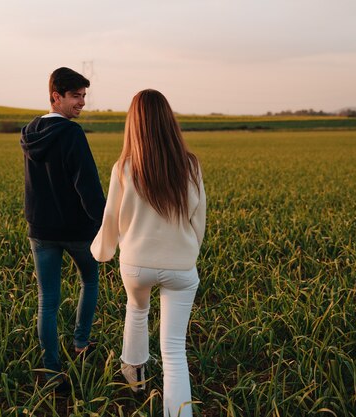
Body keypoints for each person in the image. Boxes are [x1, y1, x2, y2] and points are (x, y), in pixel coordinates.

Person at [91, 89, 206, 417]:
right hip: (181, 266)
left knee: (136, 309)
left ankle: (135, 378)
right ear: (169, 121)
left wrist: (103, 250)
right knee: (173, 350)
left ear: (133, 124)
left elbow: (111, 217)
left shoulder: (124, 167)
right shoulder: (190, 165)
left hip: (136, 264)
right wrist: (188, 251)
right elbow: (199, 218)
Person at [20, 67, 105, 392]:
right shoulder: (72, 133)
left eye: (84, 95)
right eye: (75, 96)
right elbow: (88, 186)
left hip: (40, 230)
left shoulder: (29, 131)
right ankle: (81, 343)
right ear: (56, 96)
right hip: (77, 230)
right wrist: (105, 225)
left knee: (48, 300)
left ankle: (51, 370)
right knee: (90, 280)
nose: (81, 102)